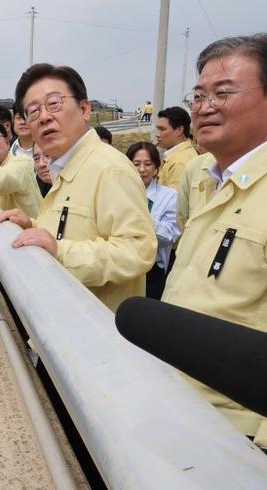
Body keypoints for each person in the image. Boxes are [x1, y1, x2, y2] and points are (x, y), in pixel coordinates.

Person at [162, 33, 267, 448]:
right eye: (199, 94)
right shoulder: (211, 183)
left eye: (223, 93)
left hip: (237, 435)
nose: (205, 107)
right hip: (178, 408)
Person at [0, 63, 156, 312]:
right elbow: (72, 231)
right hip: (61, 321)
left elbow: (138, 250)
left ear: (84, 109)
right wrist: (32, 226)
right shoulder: (66, 167)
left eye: (54, 103)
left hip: (94, 335)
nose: (44, 116)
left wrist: (60, 251)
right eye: (33, 111)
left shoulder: (109, 169)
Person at [126, 141, 180, 299]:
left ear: (156, 167)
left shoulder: (169, 195)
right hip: (121, 262)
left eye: (148, 164)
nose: (142, 169)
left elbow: (170, 236)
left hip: (152, 271)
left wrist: (140, 215)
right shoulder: (118, 192)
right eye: (136, 164)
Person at [155, 106, 198, 189]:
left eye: (162, 129)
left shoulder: (180, 162)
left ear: (179, 130)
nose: (158, 134)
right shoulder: (179, 155)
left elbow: (173, 200)